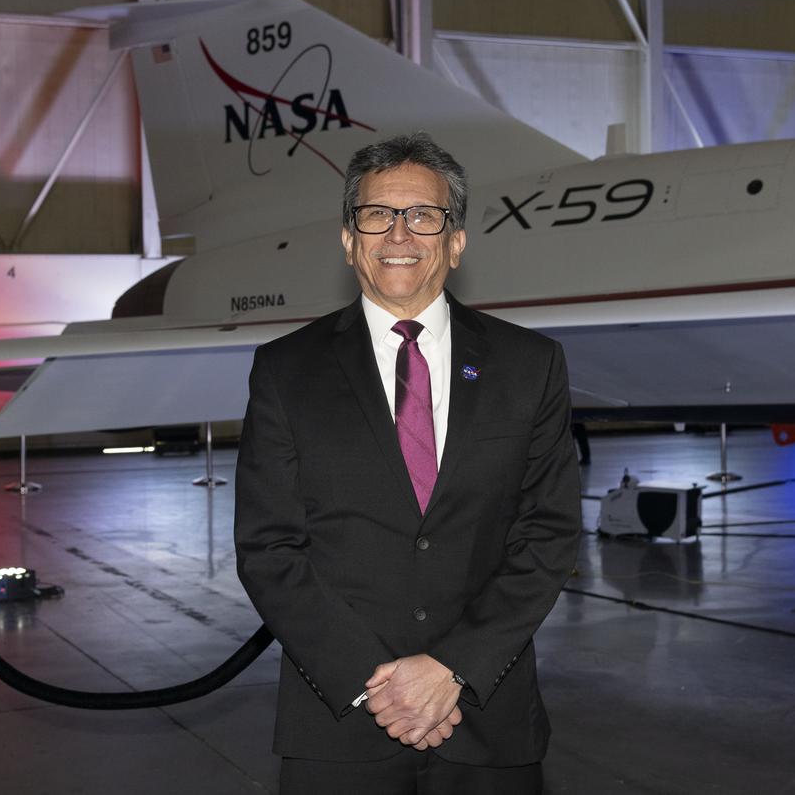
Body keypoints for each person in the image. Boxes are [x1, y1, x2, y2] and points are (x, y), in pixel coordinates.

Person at [234, 132, 581, 794]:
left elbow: (548, 532)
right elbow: (268, 546)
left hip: (487, 718)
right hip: (339, 726)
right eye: (376, 214)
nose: (399, 232)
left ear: (455, 240)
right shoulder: (285, 370)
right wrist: (379, 685)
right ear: (348, 238)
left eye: (424, 215)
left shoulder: (529, 365)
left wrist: (452, 668)